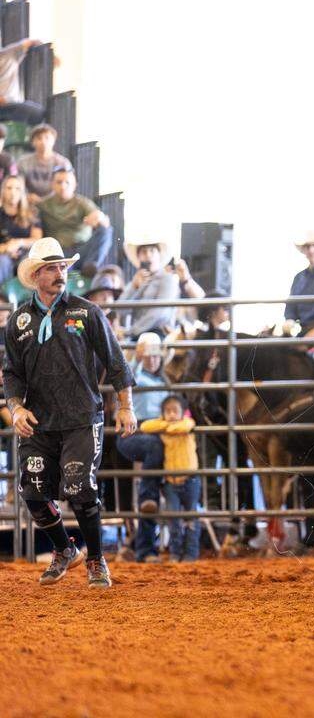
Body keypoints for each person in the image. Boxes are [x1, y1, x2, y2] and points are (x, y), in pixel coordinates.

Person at [3, 237, 136, 587]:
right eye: (51, 268)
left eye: (62, 266)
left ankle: (96, 559)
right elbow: (12, 372)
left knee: (80, 488)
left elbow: (115, 360)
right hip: (40, 420)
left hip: (81, 417)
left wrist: (126, 406)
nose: (60, 273)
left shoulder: (86, 311)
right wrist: (15, 408)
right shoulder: (18, 322)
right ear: (36, 276)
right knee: (32, 493)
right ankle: (64, 549)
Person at [115, 332, 167, 562]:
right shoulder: (134, 375)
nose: (153, 360)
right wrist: (137, 355)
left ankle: (144, 549)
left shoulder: (164, 382)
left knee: (153, 486)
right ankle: (145, 547)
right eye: (149, 355)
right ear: (141, 355)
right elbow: (129, 370)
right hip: (135, 432)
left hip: (159, 436)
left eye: (157, 355)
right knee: (154, 458)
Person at [139, 395, 200, 562]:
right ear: (162, 413)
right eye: (168, 411)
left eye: (175, 411)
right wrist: (165, 423)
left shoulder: (187, 424)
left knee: (191, 518)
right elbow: (145, 426)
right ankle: (175, 553)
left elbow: (186, 425)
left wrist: (166, 426)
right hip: (170, 482)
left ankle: (190, 554)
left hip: (190, 480)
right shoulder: (165, 426)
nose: (172, 414)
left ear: (183, 413)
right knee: (173, 520)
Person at [35, 168, 112, 272]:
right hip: (57, 253)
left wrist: (98, 218)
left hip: (82, 250)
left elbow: (101, 218)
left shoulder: (83, 203)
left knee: (106, 231)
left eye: (67, 182)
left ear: (75, 184)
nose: (63, 186)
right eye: (59, 182)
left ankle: (90, 266)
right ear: (52, 184)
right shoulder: (43, 205)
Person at [120, 237, 180, 337]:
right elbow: (120, 310)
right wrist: (134, 287)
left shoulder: (167, 279)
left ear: (159, 255)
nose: (148, 255)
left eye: (152, 251)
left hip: (159, 333)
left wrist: (130, 332)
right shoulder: (137, 280)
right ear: (138, 257)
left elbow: (159, 313)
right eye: (144, 252)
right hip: (136, 335)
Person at [0, 175, 42, 283]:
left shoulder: (32, 212)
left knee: (29, 262)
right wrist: (6, 248)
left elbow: (37, 239)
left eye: (17, 188)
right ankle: (5, 297)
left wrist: (19, 243)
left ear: (22, 192)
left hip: (26, 252)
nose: (13, 192)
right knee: (2, 261)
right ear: (3, 191)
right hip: (3, 253)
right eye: (9, 188)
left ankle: (27, 298)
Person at [18, 124, 73, 204]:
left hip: (56, 204)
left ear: (53, 140)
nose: (43, 142)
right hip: (30, 202)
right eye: (39, 138)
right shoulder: (23, 162)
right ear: (33, 142)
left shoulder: (63, 163)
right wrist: (26, 195)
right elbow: (17, 184)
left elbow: (69, 186)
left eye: (47, 138)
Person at [0, 38, 48, 123]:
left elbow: (31, 42)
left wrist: (49, 57)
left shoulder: (8, 54)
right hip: (5, 107)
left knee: (37, 113)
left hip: (11, 106)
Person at [83, 273, 123, 339]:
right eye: (102, 294)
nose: (106, 298)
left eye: (109, 294)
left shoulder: (114, 317)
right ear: (92, 298)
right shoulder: (86, 318)